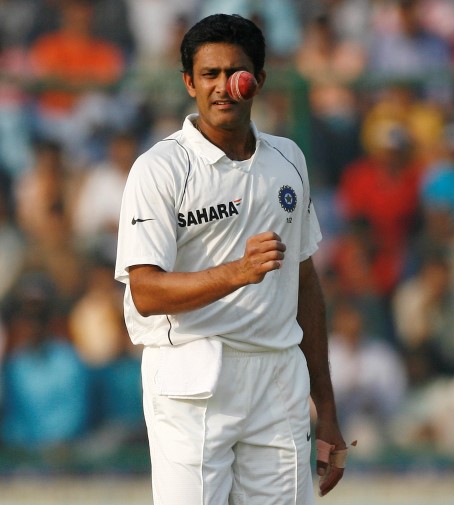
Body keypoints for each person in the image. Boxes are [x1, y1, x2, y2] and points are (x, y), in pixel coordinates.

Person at [114, 14, 347, 504]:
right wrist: (238, 273)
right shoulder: (159, 169)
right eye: (209, 75)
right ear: (188, 83)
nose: (223, 87)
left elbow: (305, 282)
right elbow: (147, 291)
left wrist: (325, 408)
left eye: (234, 73)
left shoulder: (288, 160)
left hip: (278, 379)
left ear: (257, 81)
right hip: (192, 375)